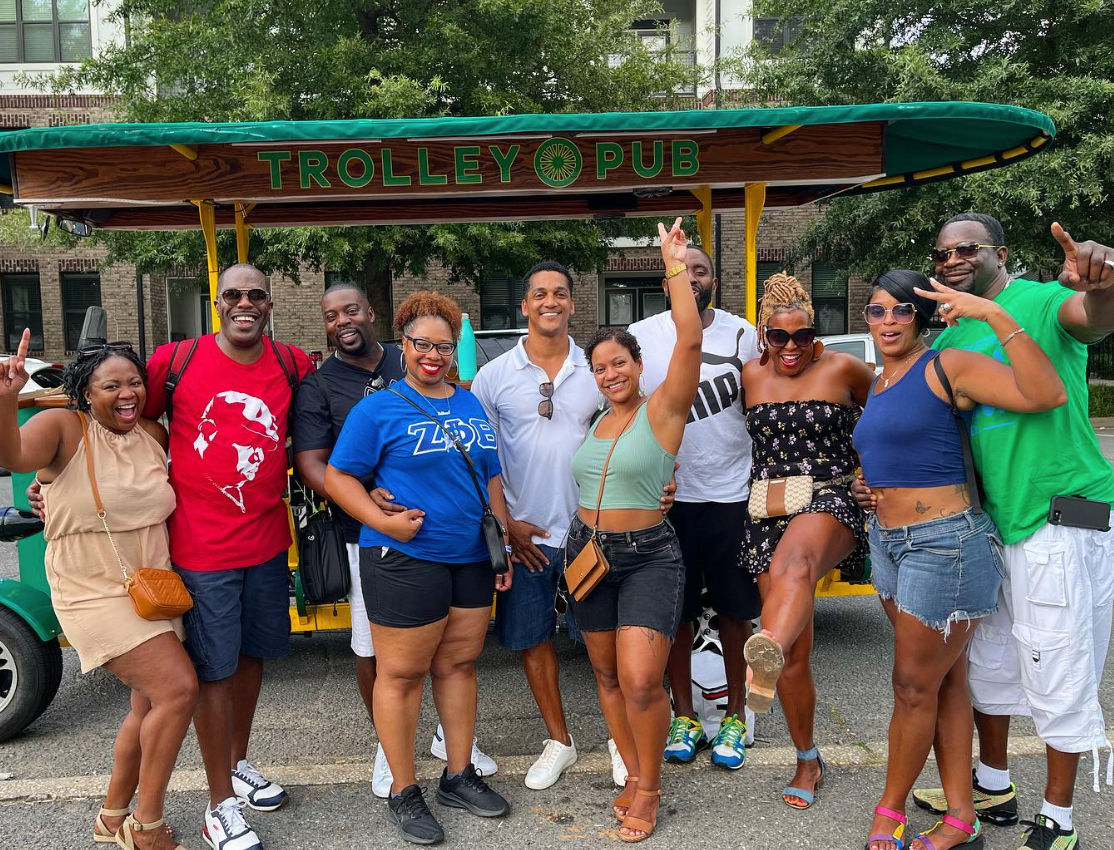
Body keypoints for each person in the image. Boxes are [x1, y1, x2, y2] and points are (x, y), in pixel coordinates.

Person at [858, 215, 1114, 850]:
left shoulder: (1039, 299)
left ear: (999, 254)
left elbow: (1097, 318)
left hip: (1065, 508)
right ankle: (992, 784)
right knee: (987, 665)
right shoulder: (952, 336)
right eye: (942, 252)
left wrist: (1102, 280)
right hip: (991, 523)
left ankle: (1058, 816)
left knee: (1059, 657)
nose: (951, 259)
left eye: (966, 249)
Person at [292, 282, 496, 799]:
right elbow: (337, 476)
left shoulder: (470, 404)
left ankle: (457, 776)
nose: (432, 355)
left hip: (470, 555)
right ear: (402, 345)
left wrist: (503, 541)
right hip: (405, 556)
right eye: (421, 344)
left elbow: (490, 475)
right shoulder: (378, 408)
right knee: (401, 675)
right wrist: (379, 522)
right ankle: (405, 790)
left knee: (458, 666)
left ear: (454, 352)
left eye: (443, 347)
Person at [0, 331, 198, 850]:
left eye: (134, 382)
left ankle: (112, 817)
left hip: (151, 586)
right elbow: (17, 457)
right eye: (112, 385)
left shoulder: (153, 434)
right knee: (177, 691)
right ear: (86, 391)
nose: (126, 393)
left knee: (146, 707)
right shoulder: (64, 427)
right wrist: (5, 398)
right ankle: (146, 826)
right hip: (90, 588)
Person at [142, 265, 314, 850]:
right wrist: (51, 477)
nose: (245, 303)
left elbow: (320, 435)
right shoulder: (176, 359)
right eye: (234, 295)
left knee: (251, 661)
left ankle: (236, 765)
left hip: (267, 542)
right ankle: (218, 805)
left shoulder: (293, 363)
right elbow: (123, 425)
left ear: (269, 304)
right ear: (218, 304)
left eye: (256, 295)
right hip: (201, 548)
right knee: (213, 673)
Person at [565, 217, 702, 842]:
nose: (609, 374)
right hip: (586, 552)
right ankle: (634, 769)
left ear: (639, 364)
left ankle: (650, 787)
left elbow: (692, 341)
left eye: (618, 363)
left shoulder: (664, 408)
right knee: (607, 675)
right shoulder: (596, 419)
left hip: (648, 555)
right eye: (599, 367)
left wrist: (672, 265)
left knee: (644, 680)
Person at [739, 273, 876, 810]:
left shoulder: (844, 368)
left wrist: (873, 472)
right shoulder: (749, 375)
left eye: (802, 336)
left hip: (831, 497)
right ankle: (807, 757)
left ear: (816, 335)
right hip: (765, 507)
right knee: (793, 657)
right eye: (780, 336)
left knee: (796, 566)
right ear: (763, 336)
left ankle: (761, 646)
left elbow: (888, 416)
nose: (791, 347)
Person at [628, 245, 761, 769]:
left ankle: (734, 716)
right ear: (666, 282)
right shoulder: (643, 337)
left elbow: (763, 401)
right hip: (670, 498)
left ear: (713, 279)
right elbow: (631, 408)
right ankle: (683, 714)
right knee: (676, 614)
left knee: (734, 613)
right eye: (680, 271)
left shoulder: (742, 333)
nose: (690, 278)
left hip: (731, 493)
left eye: (700, 270)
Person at [468, 261, 594, 790]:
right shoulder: (494, 377)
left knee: (603, 643)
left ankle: (621, 742)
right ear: (524, 305)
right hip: (526, 538)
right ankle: (559, 740)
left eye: (560, 294)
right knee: (531, 640)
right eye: (539, 293)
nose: (550, 302)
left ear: (571, 303)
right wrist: (505, 525)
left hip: (591, 532)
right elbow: (478, 458)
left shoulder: (597, 369)